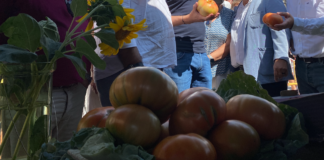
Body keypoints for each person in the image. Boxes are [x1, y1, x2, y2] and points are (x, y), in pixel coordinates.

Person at [0, 0, 90, 142]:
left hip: (76, 93)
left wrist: (85, 78)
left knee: (65, 154)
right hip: (33, 93)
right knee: (26, 154)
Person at [92, 0, 177, 107]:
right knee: (126, 120)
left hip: (147, 64)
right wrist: (137, 70)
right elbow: (117, 11)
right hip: (127, 69)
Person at [229, 0, 293, 97]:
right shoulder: (239, 8)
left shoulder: (269, 1)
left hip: (265, 74)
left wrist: (281, 58)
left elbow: (281, 29)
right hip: (241, 74)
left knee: (271, 110)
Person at [164, 0, 218, 93]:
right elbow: (157, 20)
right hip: (178, 52)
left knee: (205, 103)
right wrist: (188, 18)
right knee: (179, 103)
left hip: (201, 53)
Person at [272, 0, 324, 94]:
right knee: (309, 108)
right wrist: (290, 38)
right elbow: (289, 23)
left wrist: (294, 24)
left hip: (321, 64)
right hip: (301, 67)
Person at [204, 0, 233, 90]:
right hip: (194, 68)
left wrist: (207, 59)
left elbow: (228, 44)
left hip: (219, 72)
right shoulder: (197, 12)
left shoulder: (231, 15)